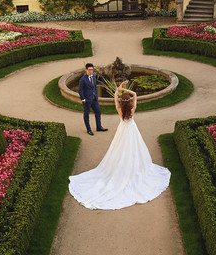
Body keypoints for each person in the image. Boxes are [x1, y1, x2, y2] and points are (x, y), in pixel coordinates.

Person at [68, 80, 171, 210]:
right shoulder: (132, 109)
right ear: (129, 102)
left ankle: (122, 167)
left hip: (122, 130)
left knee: (119, 150)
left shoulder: (119, 109)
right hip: (132, 130)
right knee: (134, 150)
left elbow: (115, 95)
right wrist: (126, 90)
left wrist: (120, 88)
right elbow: (134, 94)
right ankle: (133, 168)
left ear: (122, 102)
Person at [78, 62, 107, 135]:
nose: (91, 71)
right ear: (86, 70)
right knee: (86, 115)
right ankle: (88, 129)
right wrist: (83, 99)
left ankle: (99, 127)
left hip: (94, 99)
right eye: (89, 70)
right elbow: (80, 90)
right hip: (87, 100)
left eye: (92, 70)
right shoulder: (83, 79)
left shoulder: (94, 76)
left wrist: (96, 95)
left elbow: (94, 87)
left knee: (98, 111)